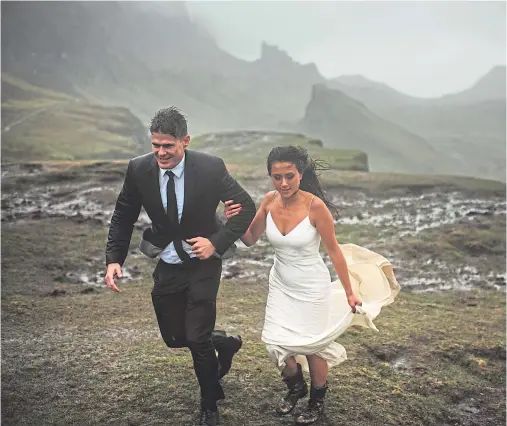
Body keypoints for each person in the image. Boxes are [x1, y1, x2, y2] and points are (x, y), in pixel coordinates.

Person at [224, 146, 400, 425]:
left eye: (289, 176)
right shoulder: (269, 201)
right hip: (280, 283)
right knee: (274, 344)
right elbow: (249, 239)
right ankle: (296, 388)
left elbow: (335, 253)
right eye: (277, 177)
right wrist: (234, 219)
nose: (283, 183)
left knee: (312, 346)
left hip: (311, 287)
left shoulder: (315, 207)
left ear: (300, 174)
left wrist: (350, 291)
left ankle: (316, 400)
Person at [104, 107, 256, 426]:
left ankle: (209, 406)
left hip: (204, 264)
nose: (160, 152)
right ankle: (225, 343)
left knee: (197, 338)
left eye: (168, 146)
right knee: (175, 337)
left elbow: (246, 209)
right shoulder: (138, 169)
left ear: (184, 141)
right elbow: (123, 216)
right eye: (155, 145)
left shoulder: (211, 168)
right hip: (168, 264)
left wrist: (216, 242)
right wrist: (114, 260)